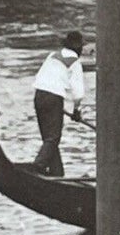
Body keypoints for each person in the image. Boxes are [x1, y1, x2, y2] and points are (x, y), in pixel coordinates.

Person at [32, 31, 86, 176]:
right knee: (53, 138)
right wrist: (76, 111)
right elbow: (78, 93)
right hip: (53, 98)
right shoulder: (75, 62)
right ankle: (38, 165)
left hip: (38, 95)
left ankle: (57, 173)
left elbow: (43, 77)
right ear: (78, 49)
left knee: (48, 138)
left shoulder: (52, 56)